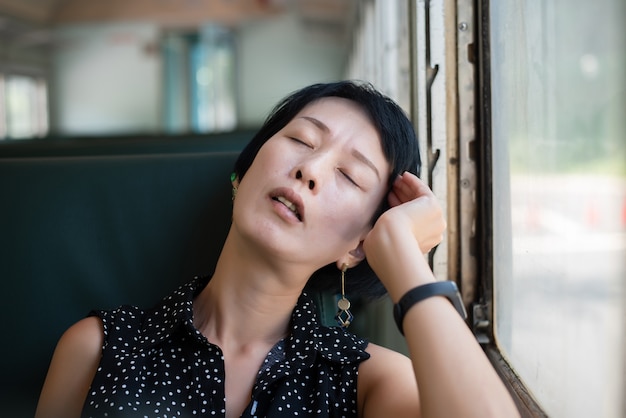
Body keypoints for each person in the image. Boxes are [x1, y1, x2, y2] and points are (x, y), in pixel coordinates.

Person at [35, 81, 519, 418]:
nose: (310, 169)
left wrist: (404, 258)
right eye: (301, 139)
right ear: (242, 174)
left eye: (349, 176)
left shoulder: (371, 383)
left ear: (359, 245)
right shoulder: (98, 347)